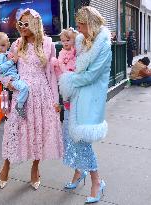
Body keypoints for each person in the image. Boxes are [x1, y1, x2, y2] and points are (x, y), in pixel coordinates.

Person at [0, 8, 63, 190]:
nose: (22, 27)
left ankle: (35, 168)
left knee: (39, 133)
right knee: (14, 131)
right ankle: (6, 165)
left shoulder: (48, 44)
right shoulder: (17, 44)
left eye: (26, 23)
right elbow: (5, 69)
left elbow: (51, 76)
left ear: (35, 24)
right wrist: (9, 83)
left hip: (43, 95)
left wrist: (55, 101)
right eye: (20, 24)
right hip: (22, 96)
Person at [59, 6, 112, 203]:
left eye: (81, 25)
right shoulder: (82, 41)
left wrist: (67, 80)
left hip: (90, 98)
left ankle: (97, 182)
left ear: (90, 24)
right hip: (75, 96)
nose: (78, 29)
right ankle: (78, 173)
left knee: (82, 142)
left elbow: (91, 75)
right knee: (70, 138)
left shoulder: (103, 45)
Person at [0, 32, 28, 118]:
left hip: (13, 77)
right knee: (24, 87)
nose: (0, 48)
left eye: (3, 45)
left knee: (19, 90)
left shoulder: (7, 53)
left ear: (8, 44)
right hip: (9, 79)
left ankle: (16, 106)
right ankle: (19, 105)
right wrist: (11, 61)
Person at [51, 27, 78, 110]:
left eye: (68, 40)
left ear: (73, 40)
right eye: (63, 41)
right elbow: (61, 63)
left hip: (74, 76)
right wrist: (65, 72)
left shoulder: (75, 51)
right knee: (66, 92)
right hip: (64, 75)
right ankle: (66, 101)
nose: (65, 43)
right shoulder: (62, 52)